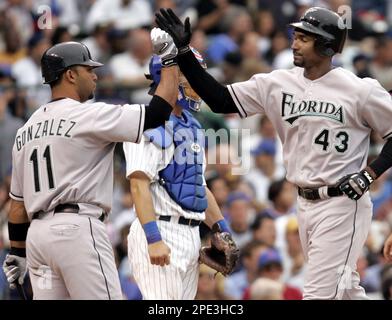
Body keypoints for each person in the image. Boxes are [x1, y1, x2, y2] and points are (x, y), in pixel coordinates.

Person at [156, 7, 392, 299]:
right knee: (345, 291)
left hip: (342, 203)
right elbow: (219, 100)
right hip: (304, 203)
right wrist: (183, 52)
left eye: (304, 38)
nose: (294, 43)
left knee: (320, 294)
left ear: (327, 45)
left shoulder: (360, 90)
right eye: (296, 35)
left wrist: (369, 174)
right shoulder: (277, 83)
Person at [2, 30, 179, 300]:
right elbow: (157, 113)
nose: (95, 75)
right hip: (77, 230)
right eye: (88, 69)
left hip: (38, 239)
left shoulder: (25, 130)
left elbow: (17, 207)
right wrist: (170, 58)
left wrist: (17, 254)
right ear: (70, 75)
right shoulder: (89, 114)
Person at [122, 47, 237, 299]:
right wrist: (153, 239)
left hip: (191, 233)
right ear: (170, 77)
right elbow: (138, 184)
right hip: (159, 227)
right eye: (191, 76)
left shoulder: (193, 125)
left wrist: (222, 230)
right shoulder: (145, 121)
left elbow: (198, 186)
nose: (198, 82)